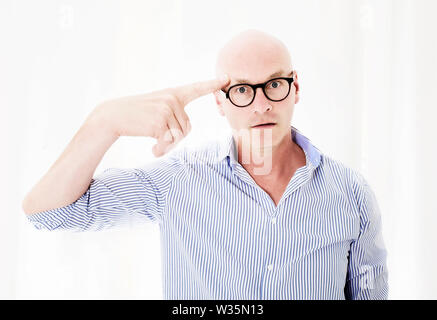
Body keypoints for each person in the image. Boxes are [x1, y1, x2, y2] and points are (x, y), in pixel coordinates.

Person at [22, 29, 388, 300]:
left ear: (294, 87)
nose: (261, 105)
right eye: (242, 90)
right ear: (219, 102)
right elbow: (48, 213)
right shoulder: (181, 179)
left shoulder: (351, 192)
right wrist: (104, 122)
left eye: (274, 84)